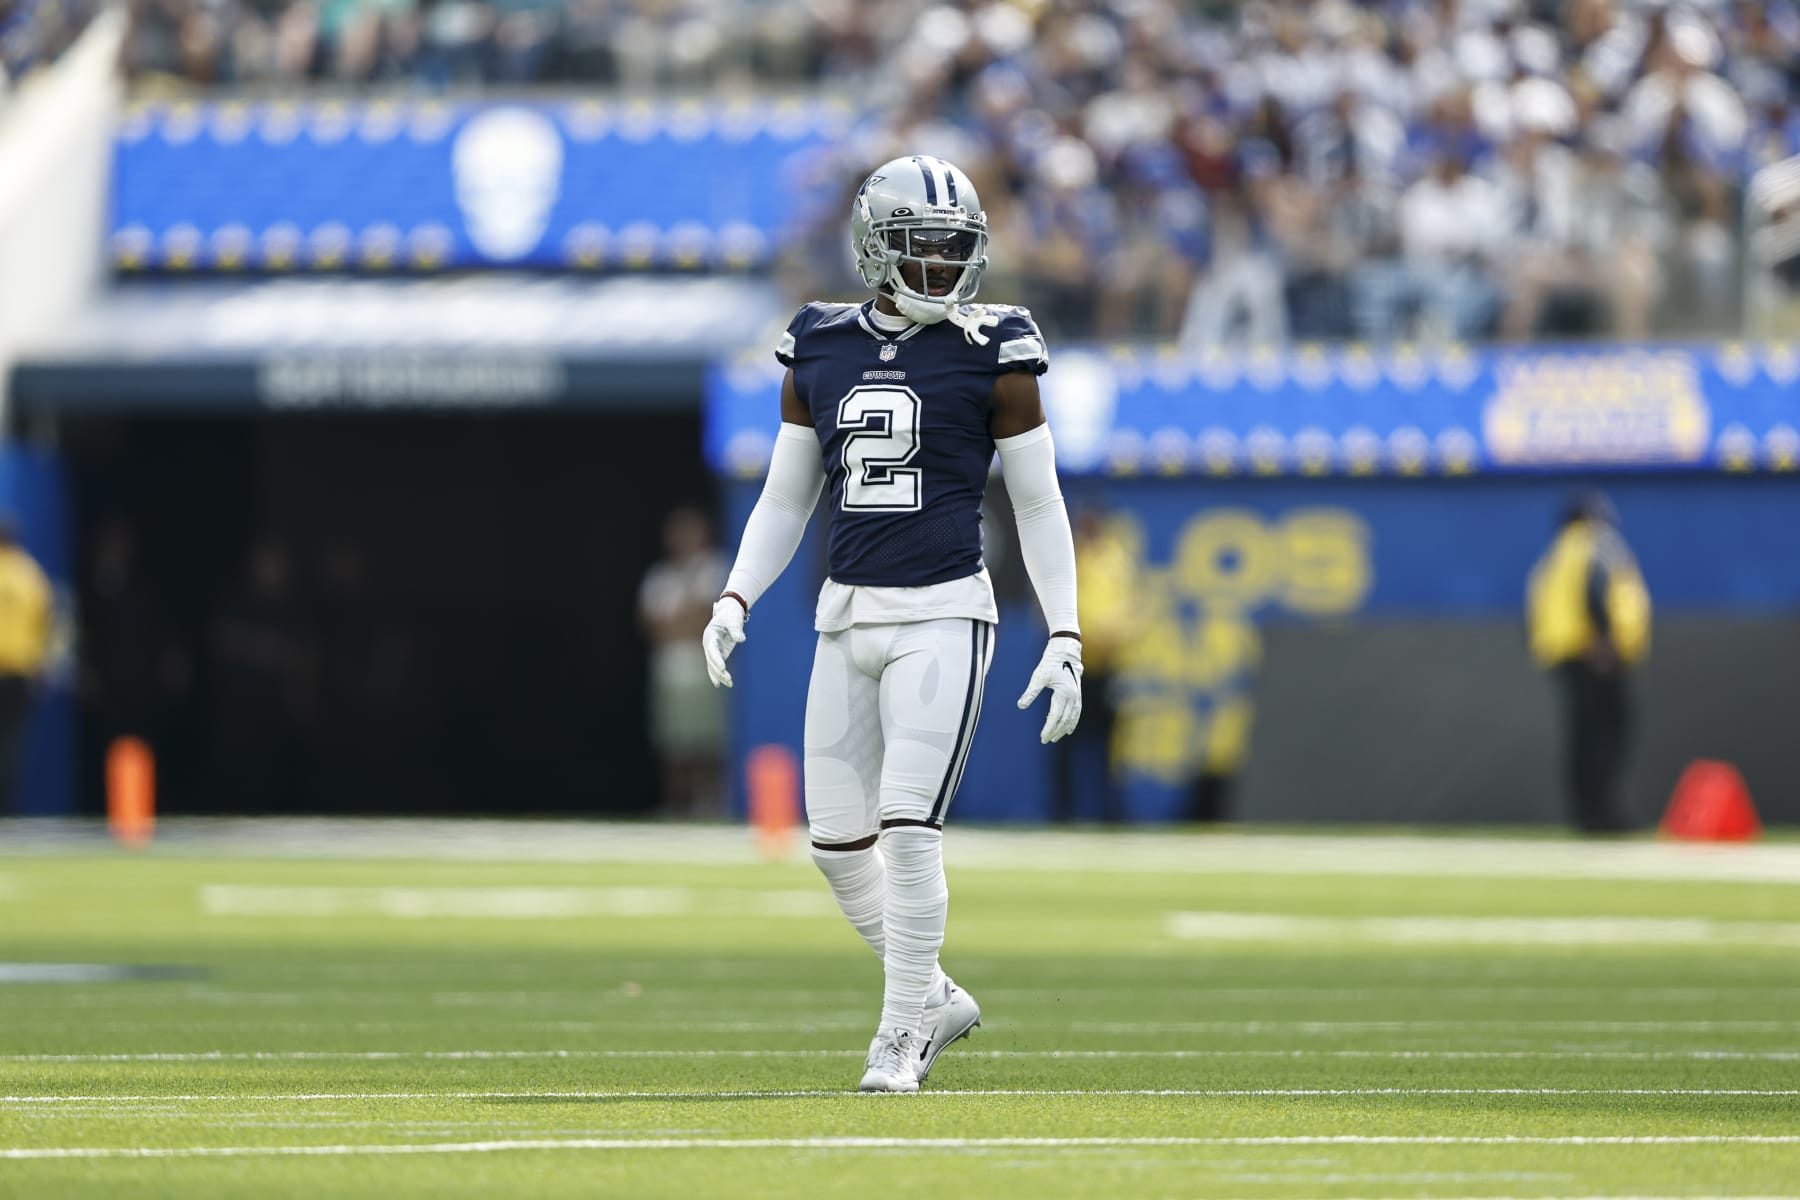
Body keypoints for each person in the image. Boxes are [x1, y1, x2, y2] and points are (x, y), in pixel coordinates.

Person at [702, 154, 1083, 1092]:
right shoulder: (818, 342)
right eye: (924, 249)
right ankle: (935, 993)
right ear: (875, 248)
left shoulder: (995, 343)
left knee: (909, 826)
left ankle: (898, 1039)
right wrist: (734, 594)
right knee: (835, 844)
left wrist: (1066, 633)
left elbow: (1038, 504)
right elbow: (786, 497)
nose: (946, 268)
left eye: (958, 249)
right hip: (847, 614)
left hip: (945, 611)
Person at [1527, 491, 1652, 833]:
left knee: (1583, 734)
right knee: (1607, 732)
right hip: (1595, 655)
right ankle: (1604, 811)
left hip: (1565, 654)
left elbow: (1539, 606)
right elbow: (1594, 591)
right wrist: (1604, 642)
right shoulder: (1593, 545)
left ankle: (1585, 811)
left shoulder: (1555, 555)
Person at [637, 506, 728, 819]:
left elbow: (703, 620)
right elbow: (652, 628)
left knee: (706, 739)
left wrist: (681, 619)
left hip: (704, 668)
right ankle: (676, 806)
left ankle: (709, 804)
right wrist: (682, 620)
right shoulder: (658, 577)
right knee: (672, 741)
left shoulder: (714, 570)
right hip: (668, 669)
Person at [0, 512, 51, 812]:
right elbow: (45, 626)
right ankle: (6, 810)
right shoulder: (31, 576)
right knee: (11, 745)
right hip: (20, 674)